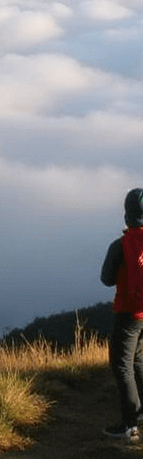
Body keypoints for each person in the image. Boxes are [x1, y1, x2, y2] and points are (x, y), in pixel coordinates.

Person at [101, 188, 143, 440]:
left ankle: (130, 426)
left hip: (129, 313)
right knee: (139, 362)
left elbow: (106, 279)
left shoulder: (121, 245)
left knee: (121, 366)